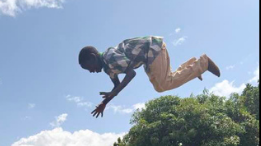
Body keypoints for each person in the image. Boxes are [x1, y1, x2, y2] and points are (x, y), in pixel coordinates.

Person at [78, 35, 220, 118]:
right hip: (148, 58)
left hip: (153, 49)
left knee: (164, 84)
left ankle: (203, 63)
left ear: (93, 57)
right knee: (160, 87)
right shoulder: (107, 68)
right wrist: (104, 103)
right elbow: (116, 86)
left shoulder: (110, 57)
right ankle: (194, 67)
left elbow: (131, 73)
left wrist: (114, 92)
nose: (90, 71)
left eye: (88, 67)